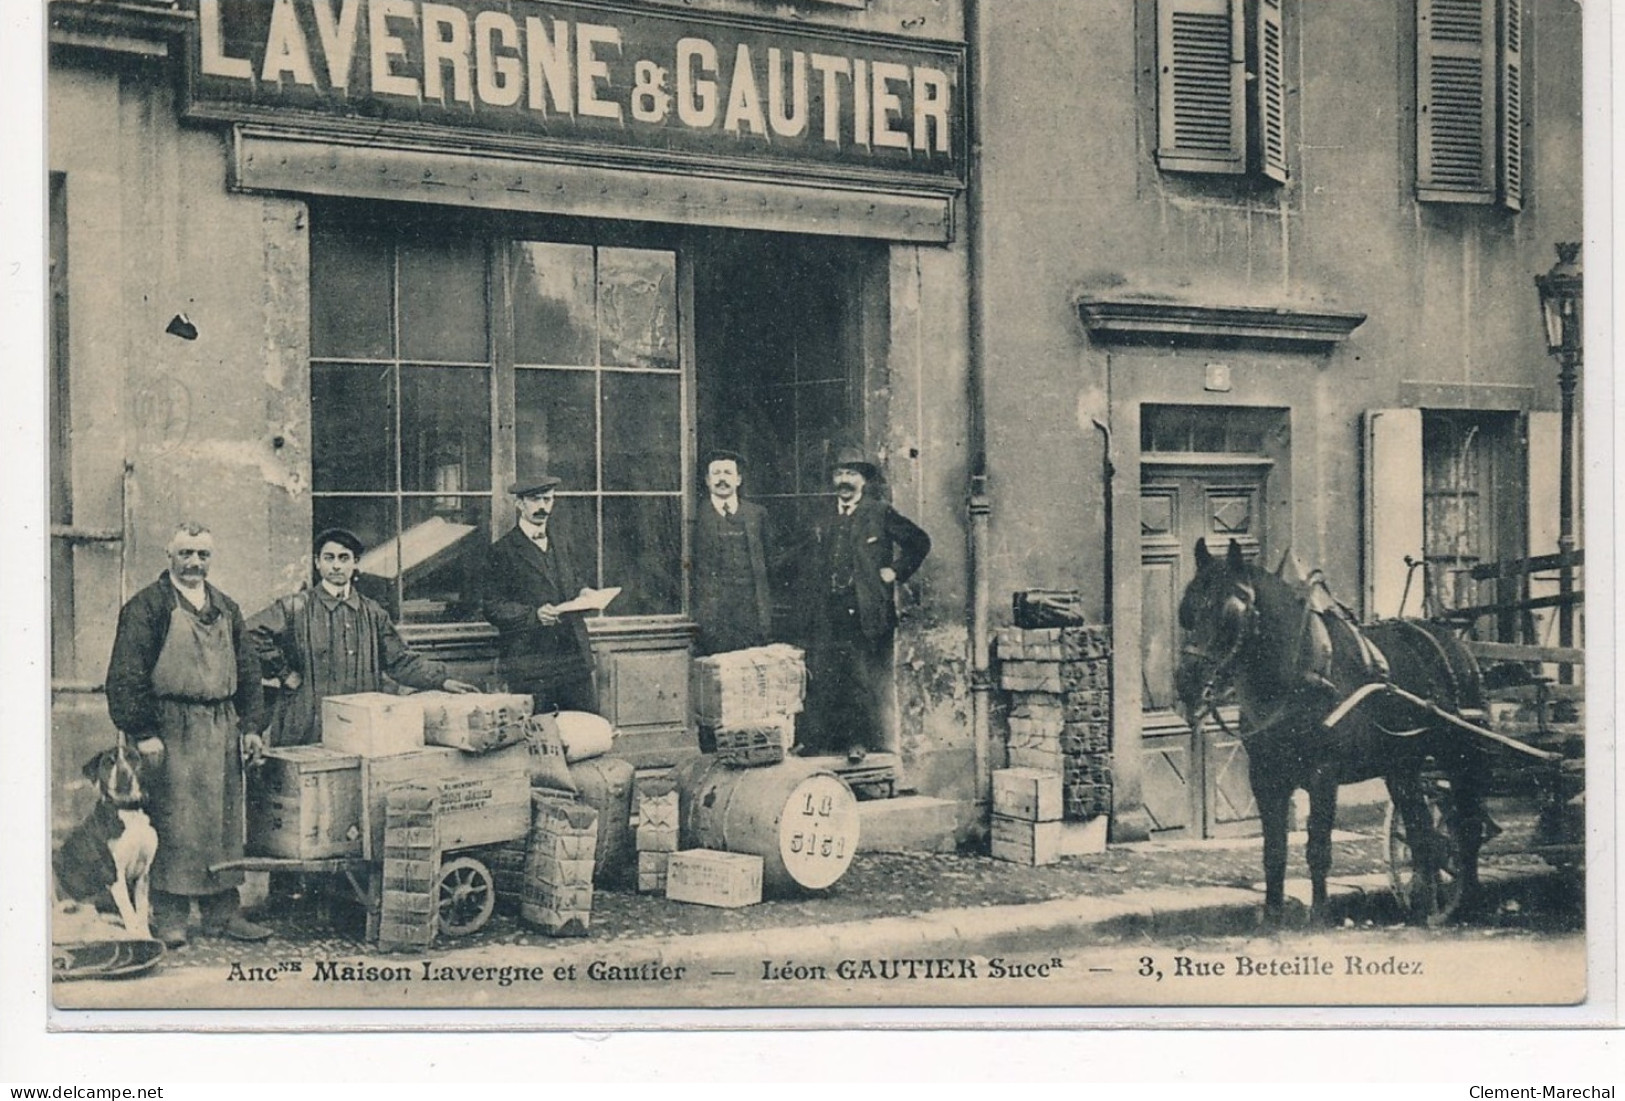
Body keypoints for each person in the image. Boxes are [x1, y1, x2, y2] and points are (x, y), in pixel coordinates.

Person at [104, 522, 269, 947]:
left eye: (202, 554)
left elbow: (250, 673)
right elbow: (125, 676)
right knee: (174, 823)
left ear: (211, 558)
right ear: (169, 555)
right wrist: (143, 732)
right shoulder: (147, 607)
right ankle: (171, 916)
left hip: (221, 726)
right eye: (186, 554)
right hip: (168, 730)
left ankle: (222, 913)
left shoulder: (227, 607)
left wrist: (251, 726)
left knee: (223, 823)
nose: (194, 563)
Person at [247, 528, 480, 748]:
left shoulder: (372, 612)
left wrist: (442, 680)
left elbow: (399, 660)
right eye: (328, 558)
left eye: (344, 558)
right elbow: (250, 635)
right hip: (307, 720)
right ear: (317, 562)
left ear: (355, 562)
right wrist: (284, 672)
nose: (336, 566)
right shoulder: (295, 607)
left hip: (361, 721)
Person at [797, 448, 932, 761]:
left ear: (863, 480)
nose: (845, 480)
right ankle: (816, 741)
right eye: (840, 474)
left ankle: (858, 742)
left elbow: (920, 542)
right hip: (827, 607)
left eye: (852, 474)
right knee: (822, 673)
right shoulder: (822, 514)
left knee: (859, 676)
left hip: (864, 608)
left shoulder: (879, 512)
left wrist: (894, 572)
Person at [482, 472, 598, 713]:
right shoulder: (502, 551)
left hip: (573, 657)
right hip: (531, 661)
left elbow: (573, 580)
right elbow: (492, 606)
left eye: (547, 499)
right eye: (535, 500)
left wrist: (585, 592)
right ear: (519, 504)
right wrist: (534, 615)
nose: (542, 506)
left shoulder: (563, 542)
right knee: (539, 735)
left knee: (584, 729)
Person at [691, 449, 774, 656]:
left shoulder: (757, 514)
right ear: (708, 481)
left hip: (752, 613)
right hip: (714, 617)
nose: (722, 479)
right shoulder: (695, 516)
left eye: (728, 473)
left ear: (738, 480)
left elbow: (770, 561)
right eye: (716, 474)